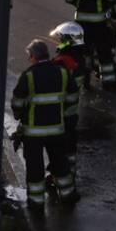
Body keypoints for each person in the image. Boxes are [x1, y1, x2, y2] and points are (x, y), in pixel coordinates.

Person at [11, 40, 77, 207]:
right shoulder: (62, 72)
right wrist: (65, 114)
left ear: (34, 56)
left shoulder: (29, 75)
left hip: (33, 133)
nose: (29, 60)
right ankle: (68, 195)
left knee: (35, 167)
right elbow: (72, 96)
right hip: (57, 130)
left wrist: (19, 115)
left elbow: (18, 102)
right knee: (60, 163)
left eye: (29, 57)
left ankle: (36, 201)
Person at [50, 22, 86, 179]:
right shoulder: (79, 59)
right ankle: (69, 173)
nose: (58, 42)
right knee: (70, 145)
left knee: (59, 147)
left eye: (60, 39)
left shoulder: (64, 62)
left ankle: (60, 176)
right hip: (71, 113)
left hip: (60, 114)